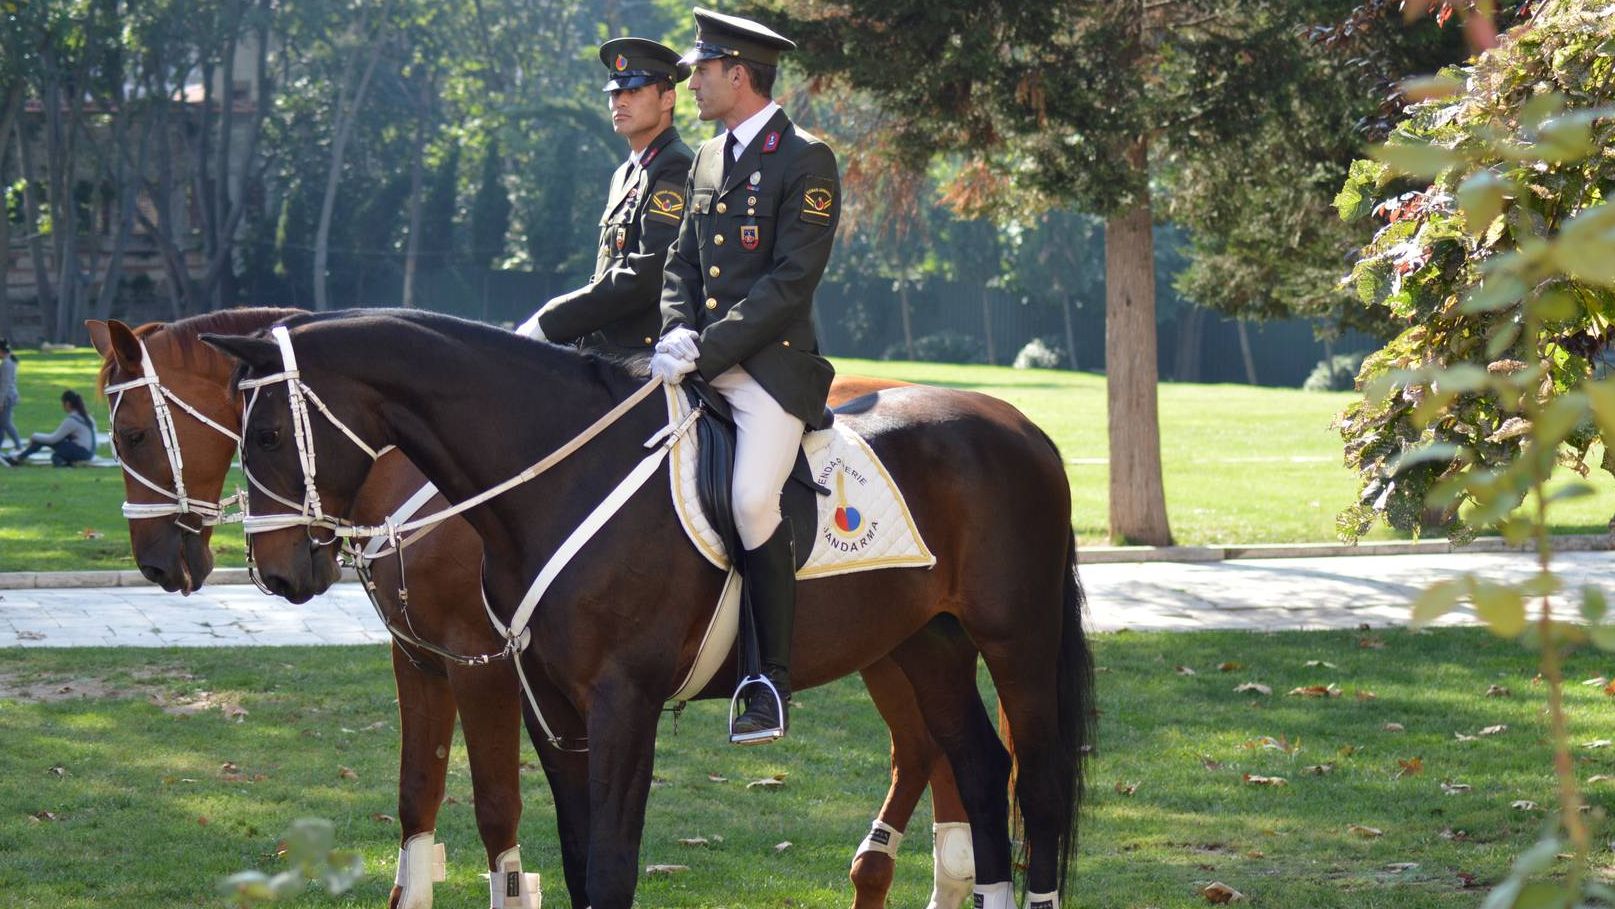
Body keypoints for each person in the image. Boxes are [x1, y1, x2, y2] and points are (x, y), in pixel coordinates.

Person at [654, 7, 841, 744]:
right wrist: (673, 328)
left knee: (750, 497)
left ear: (738, 73)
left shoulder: (805, 157)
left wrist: (708, 346)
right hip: (695, 357)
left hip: (768, 369)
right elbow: (680, 263)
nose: (691, 81)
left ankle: (768, 680)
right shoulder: (703, 159)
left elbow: (791, 282)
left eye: (701, 70)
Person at [515, 38, 695, 353]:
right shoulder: (625, 173)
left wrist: (552, 319)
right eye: (614, 93)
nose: (619, 102)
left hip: (645, 356)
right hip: (606, 352)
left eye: (634, 91)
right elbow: (608, 272)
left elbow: (648, 275)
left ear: (668, 98)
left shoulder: (675, 165)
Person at [6, 389, 97, 467]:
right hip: (89, 452)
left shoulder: (72, 420)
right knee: (54, 454)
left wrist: (34, 436)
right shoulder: (87, 417)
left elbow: (53, 439)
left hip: (82, 452)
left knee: (45, 446)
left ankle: (18, 458)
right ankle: (19, 458)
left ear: (67, 404)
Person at [0, 338, 20, 453]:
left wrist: (0, 402)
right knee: (1, 424)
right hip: (8, 396)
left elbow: (5, 385)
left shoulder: (7, 364)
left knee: (6, 423)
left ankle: (18, 446)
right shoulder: (8, 362)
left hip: (7, 398)